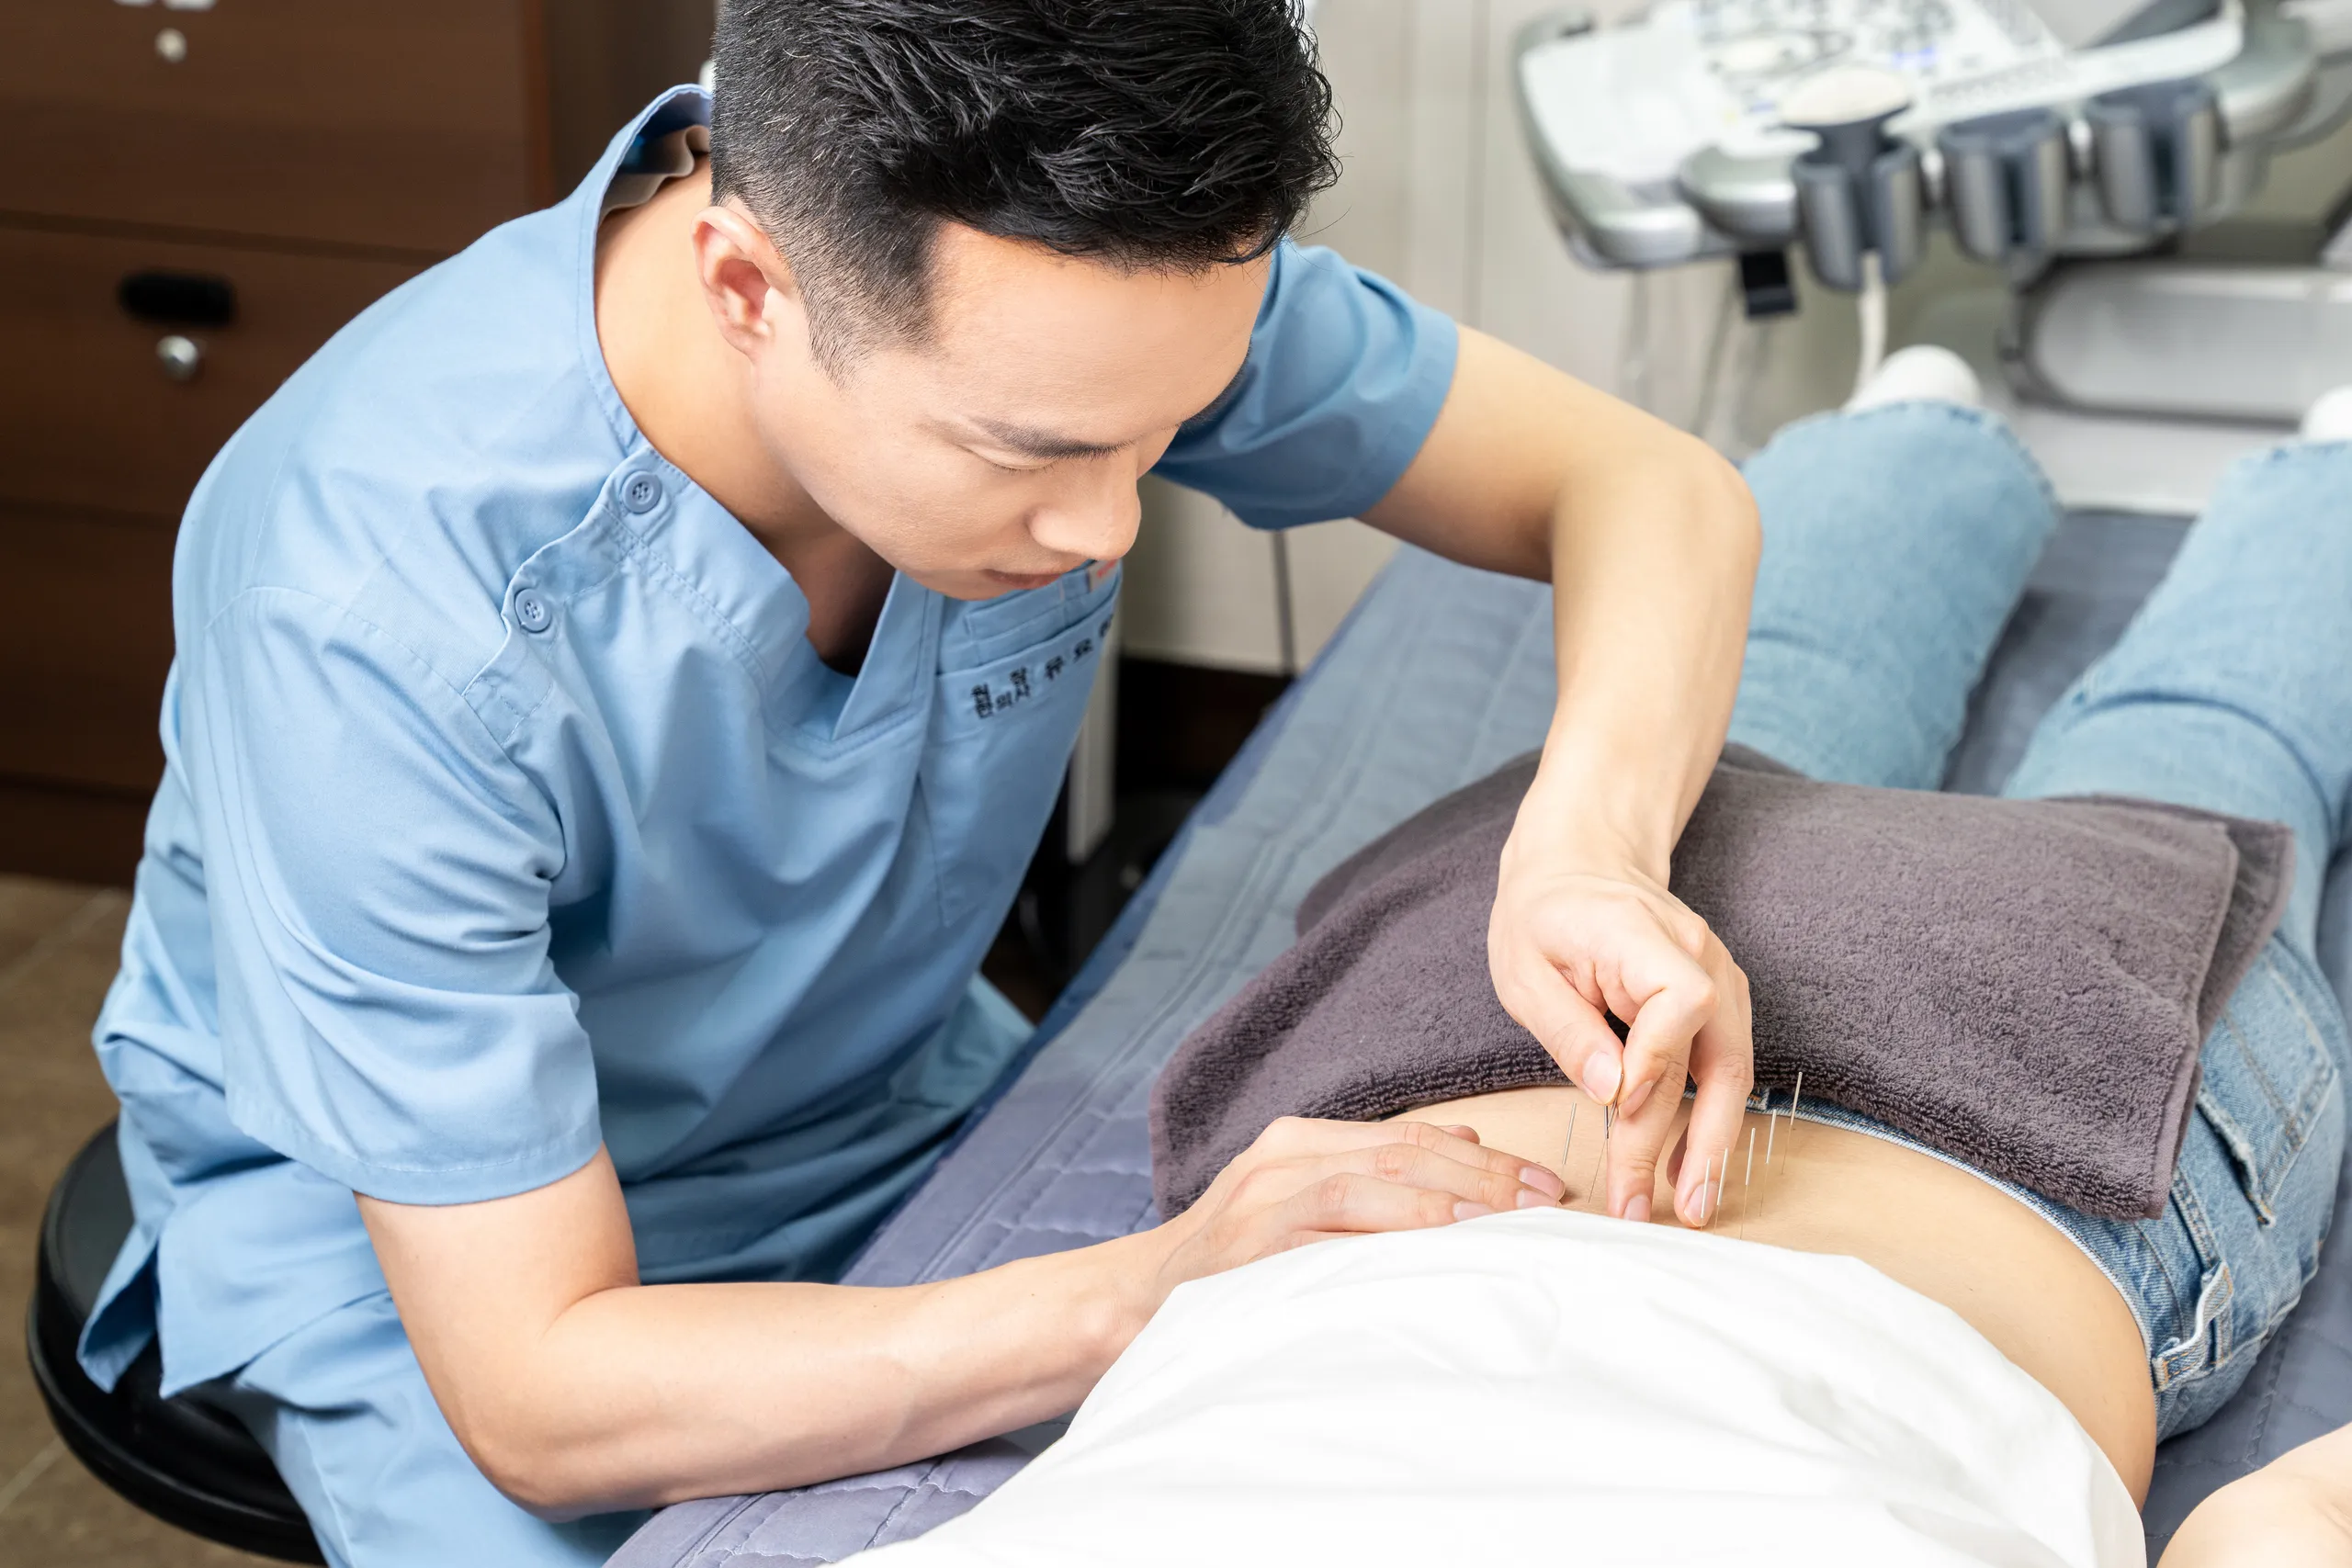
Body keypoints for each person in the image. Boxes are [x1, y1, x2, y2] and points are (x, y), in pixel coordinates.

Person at [73, 3, 1763, 1562]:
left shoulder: (1083, 311)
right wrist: (1149, 1288)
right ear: (748, 288)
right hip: (433, 1255)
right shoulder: (370, 608)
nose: (1109, 523)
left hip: (873, 1090)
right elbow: (540, 1393)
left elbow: (1653, 488)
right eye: (1032, 457)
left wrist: (1590, 848)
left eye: (1165, 430)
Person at [842, 355, 2352, 1566]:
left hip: (1969, 1147)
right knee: (1771, 701)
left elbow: (2277, 1527)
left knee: (2205, 749)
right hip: (1473, 1028)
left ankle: (2257, 459)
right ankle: (1913, 422)